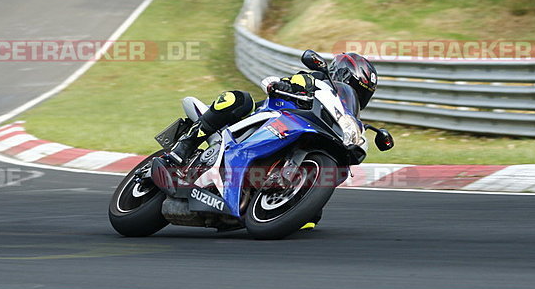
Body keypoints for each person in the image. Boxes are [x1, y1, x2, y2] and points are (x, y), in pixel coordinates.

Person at [151, 52, 378, 228]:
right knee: (238, 99)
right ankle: (182, 149)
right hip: (262, 119)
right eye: (357, 85)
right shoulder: (317, 81)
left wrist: (303, 211)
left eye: (363, 91)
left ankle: (282, 201)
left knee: (312, 214)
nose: (357, 93)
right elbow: (288, 81)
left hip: (306, 136)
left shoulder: (345, 115)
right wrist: (287, 85)